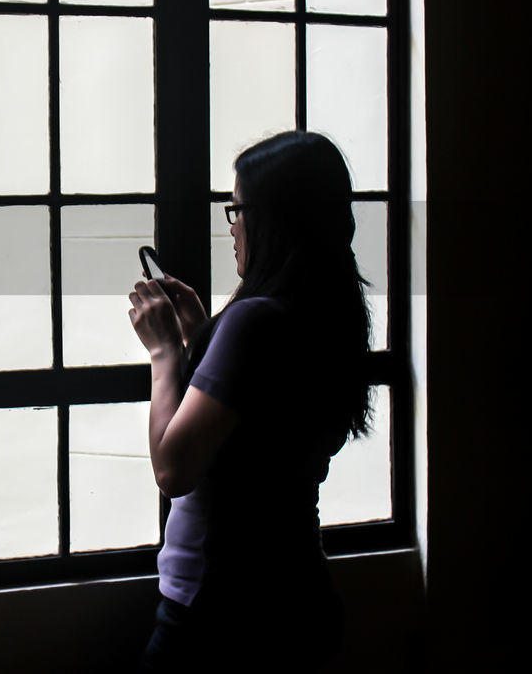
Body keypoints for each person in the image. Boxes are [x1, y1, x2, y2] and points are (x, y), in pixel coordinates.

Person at [127, 131, 372, 671]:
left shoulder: (255, 319)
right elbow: (258, 436)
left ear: (269, 219)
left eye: (236, 210)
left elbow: (174, 470)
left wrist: (166, 352)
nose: (232, 226)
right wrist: (200, 339)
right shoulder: (330, 314)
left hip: (221, 612)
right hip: (296, 595)